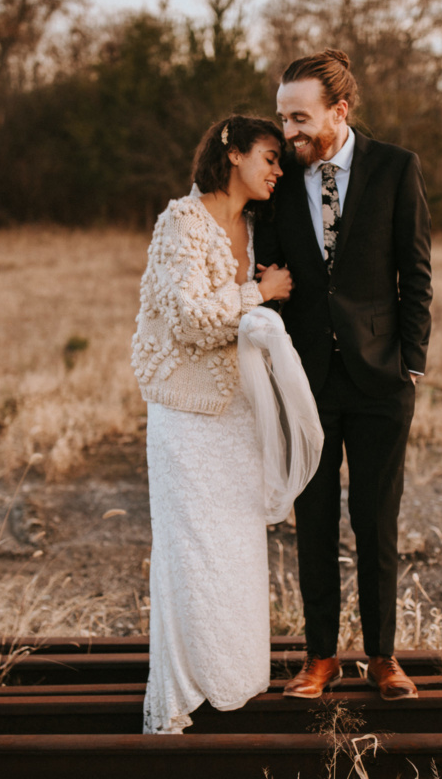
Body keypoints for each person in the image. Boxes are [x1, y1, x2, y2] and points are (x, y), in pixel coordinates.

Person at [255, 50, 433, 702]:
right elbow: (266, 275)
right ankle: (320, 658)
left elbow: (415, 276)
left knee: (376, 521)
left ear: (340, 111)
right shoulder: (277, 178)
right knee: (316, 522)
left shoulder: (395, 168)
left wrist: (411, 362)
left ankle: (384, 657)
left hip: (383, 378)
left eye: (300, 118)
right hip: (306, 380)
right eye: (282, 118)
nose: (289, 131)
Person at [132, 115, 303, 734]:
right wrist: (260, 294)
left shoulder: (256, 226)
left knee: (235, 543)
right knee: (188, 546)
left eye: (281, 162)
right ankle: (179, 692)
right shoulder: (182, 220)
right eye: (269, 157)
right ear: (233, 154)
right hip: (185, 412)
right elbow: (189, 320)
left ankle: (229, 674)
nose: (278, 171)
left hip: (237, 411)